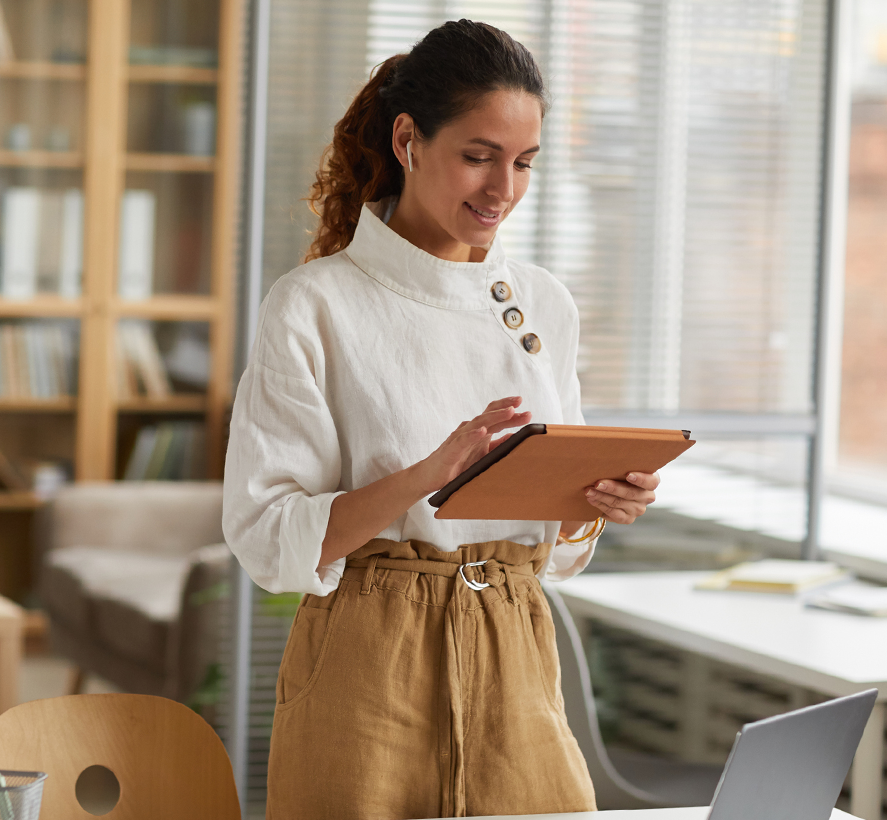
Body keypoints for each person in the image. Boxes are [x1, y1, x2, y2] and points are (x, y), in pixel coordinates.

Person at [222, 19, 661, 820]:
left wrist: (589, 510)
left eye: (524, 163)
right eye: (477, 155)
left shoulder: (543, 304)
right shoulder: (314, 305)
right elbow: (265, 537)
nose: (502, 190)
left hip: (518, 650)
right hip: (366, 662)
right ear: (406, 139)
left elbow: (556, 553)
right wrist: (427, 476)